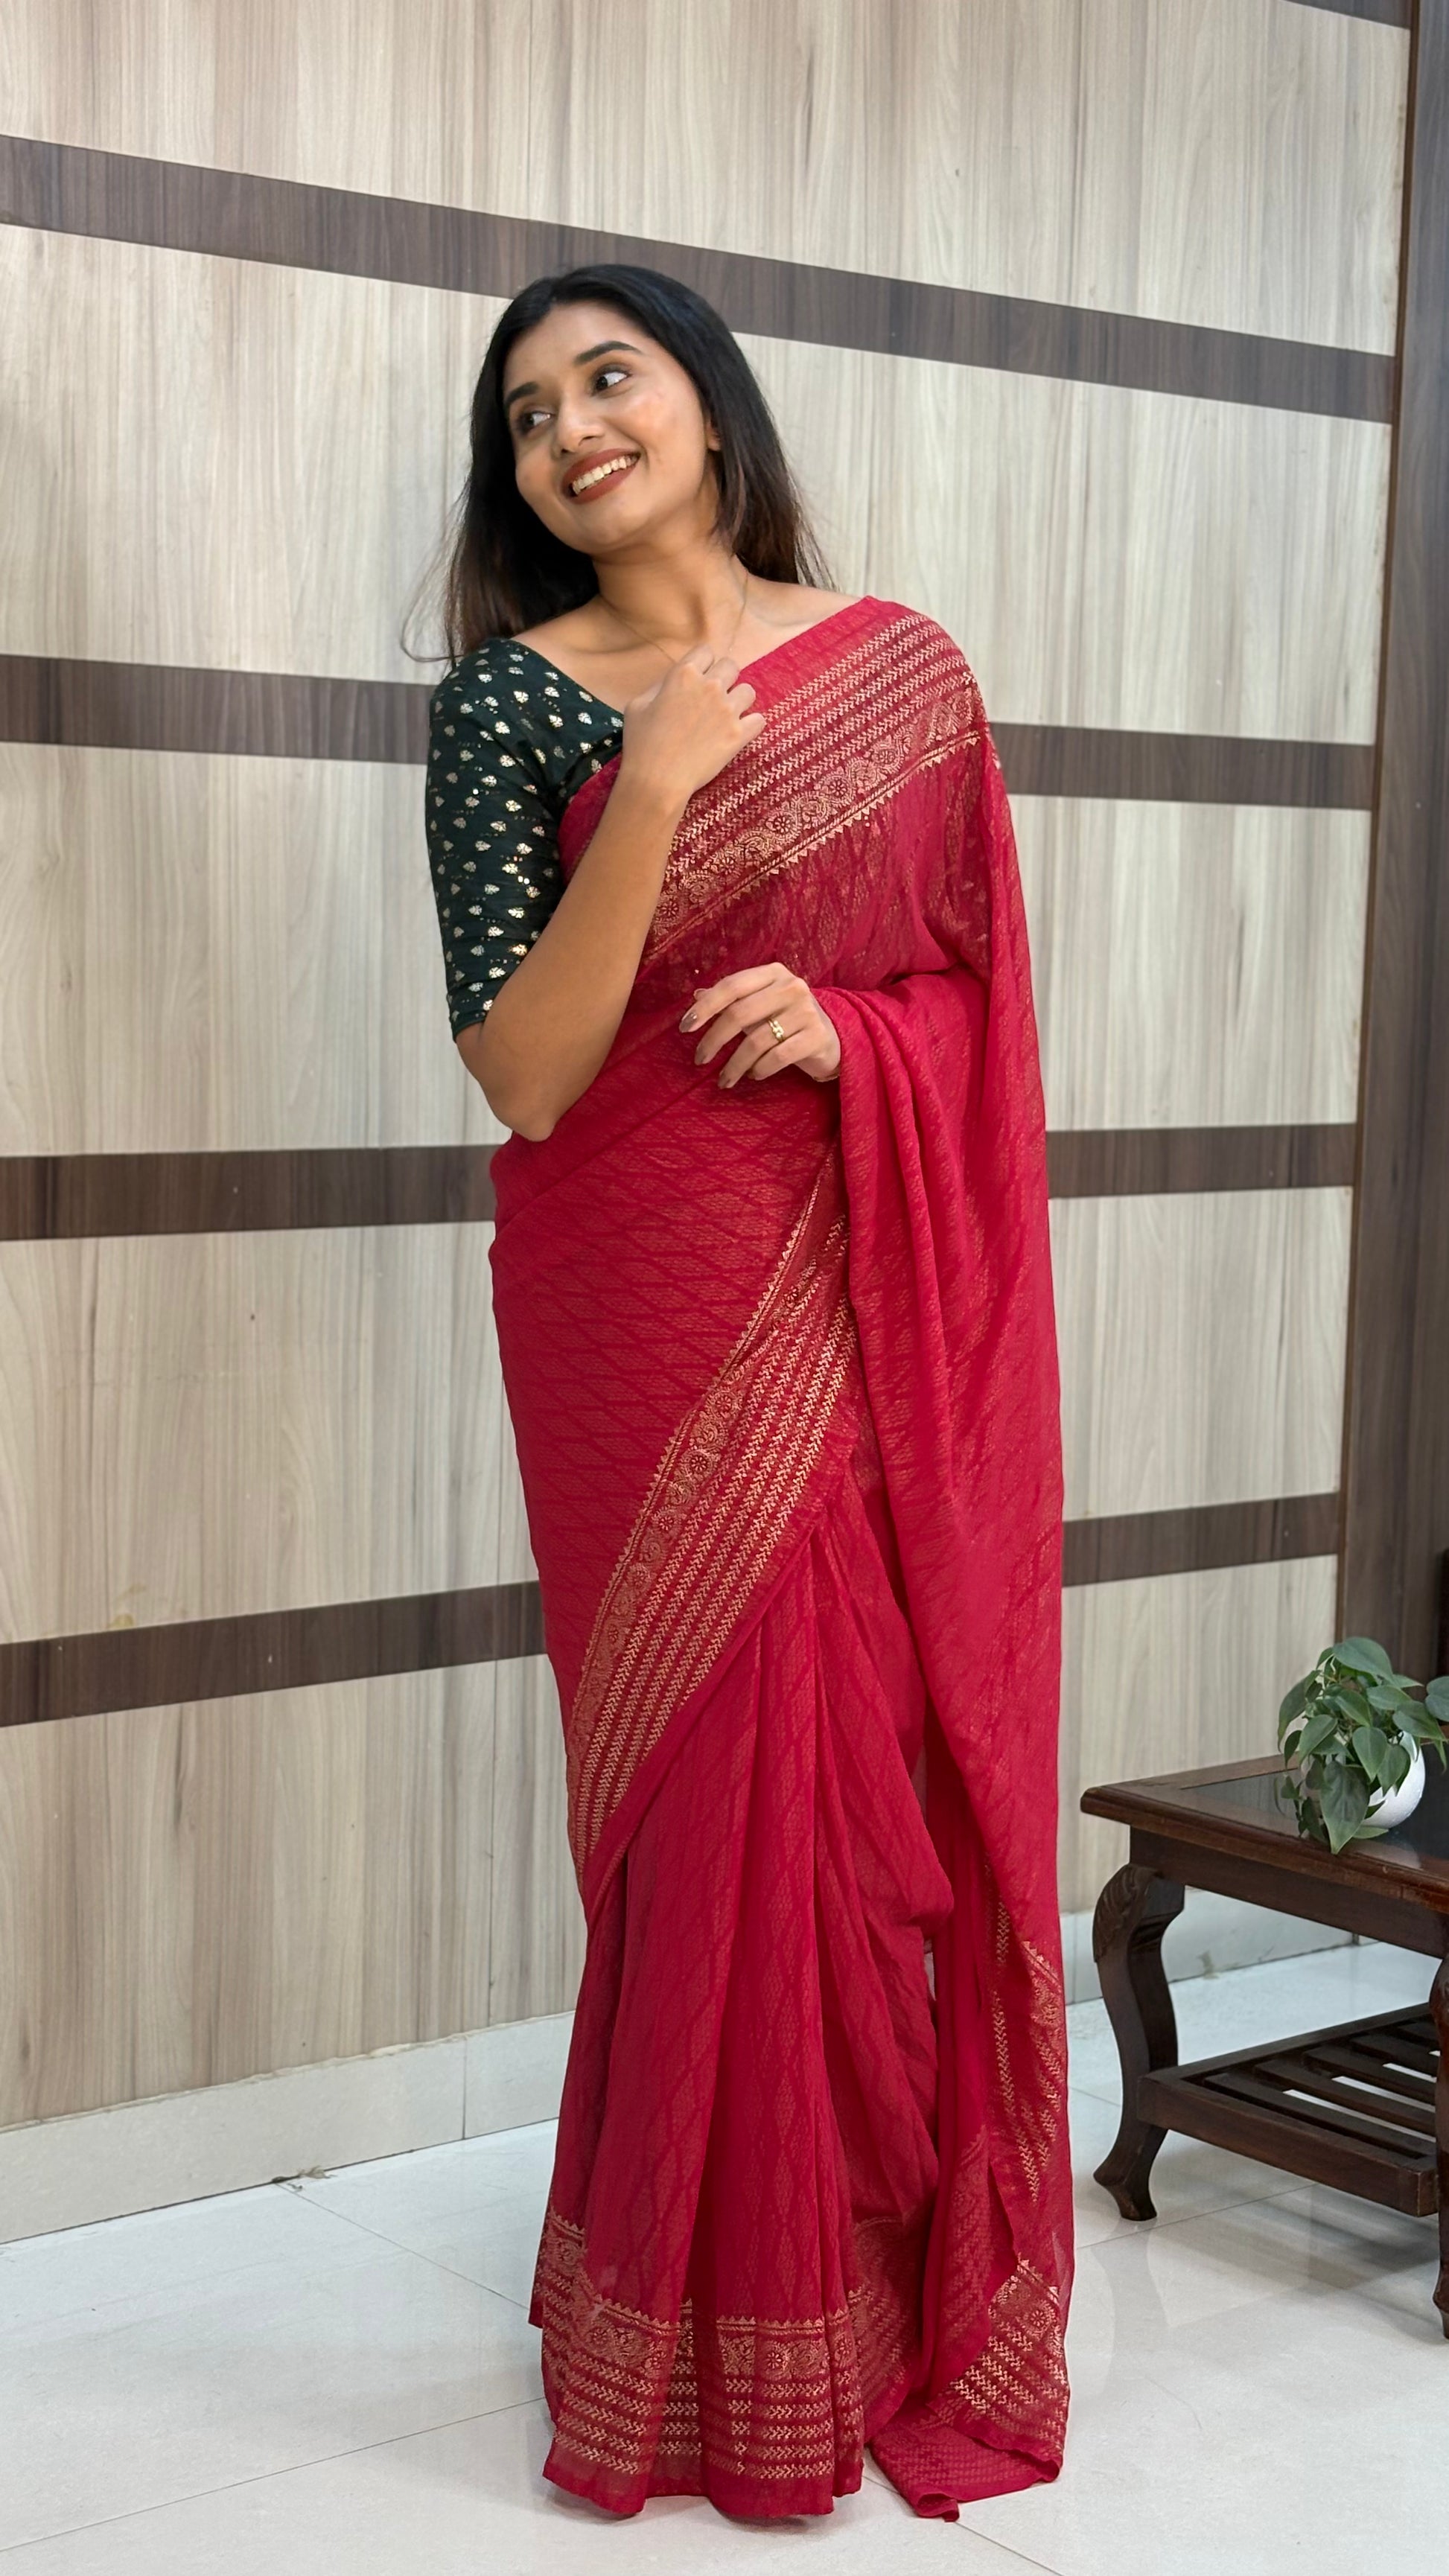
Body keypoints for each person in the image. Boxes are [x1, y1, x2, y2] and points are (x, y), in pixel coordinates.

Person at [423, 263, 1071, 2523]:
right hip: (630, 1308)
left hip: (846, 1293)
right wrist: (657, 785)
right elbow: (525, 1071)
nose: (570, 430)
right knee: (704, 1802)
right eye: (526, 414)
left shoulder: (903, 670)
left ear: (704, 398)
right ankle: (685, 2327)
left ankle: (847, 2303)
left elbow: (976, 1010)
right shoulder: (509, 709)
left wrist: (851, 1029)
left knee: (846, 1794)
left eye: (605, 377)